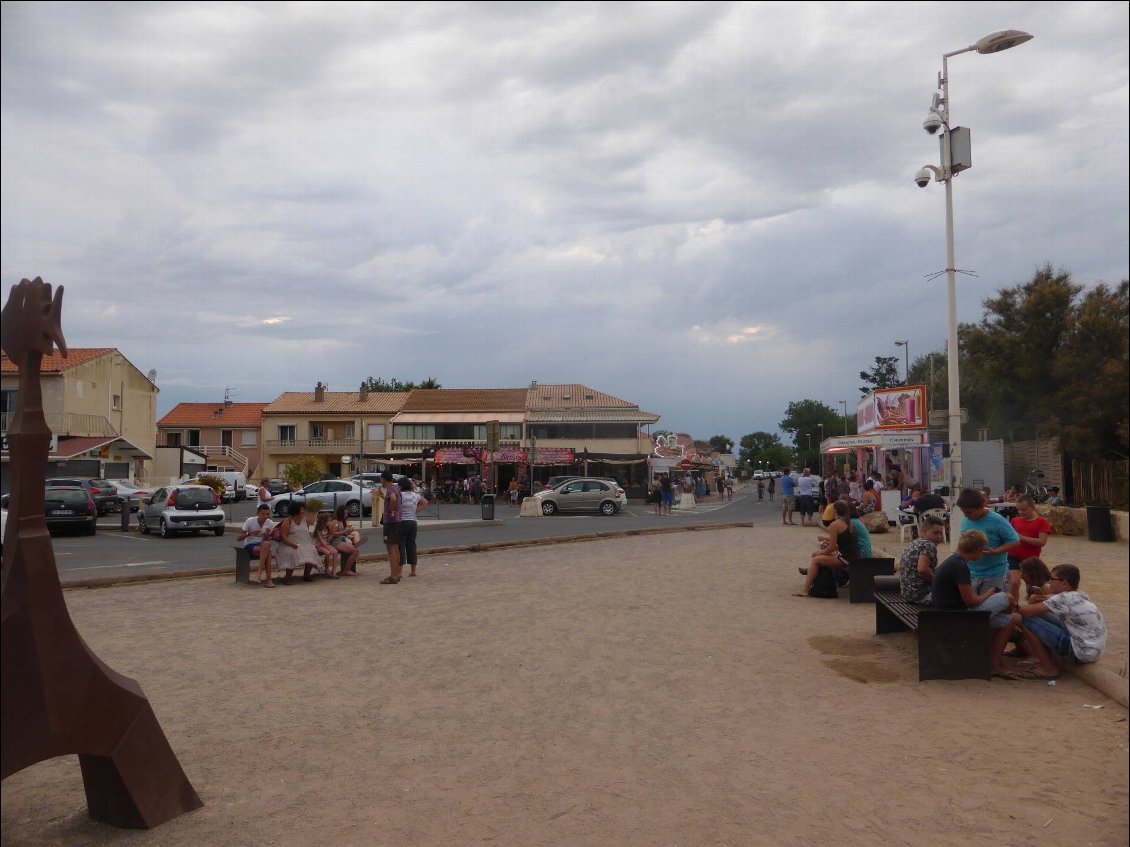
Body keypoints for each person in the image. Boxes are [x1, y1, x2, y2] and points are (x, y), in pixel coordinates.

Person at [931, 530, 1016, 676]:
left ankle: (993, 663)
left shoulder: (952, 561)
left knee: (1009, 621)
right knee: (1007, 598)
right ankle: (992, 657)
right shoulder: (960, 567)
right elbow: (970, 601)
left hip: (945, 615)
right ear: (977, 550)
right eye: (982, 550)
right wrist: (989, 594)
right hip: (960, 618)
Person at [1014, 564, 1106, 680]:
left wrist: (1015, 602)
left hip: (1080, 652)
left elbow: (1024, 612)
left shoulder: (1062, 599)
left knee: (1026, 620)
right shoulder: (1079, 595)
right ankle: (1045, 659)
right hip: (1091, 651)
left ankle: (1048, 668)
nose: (1049, 582)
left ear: (1064, 583)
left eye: (1053, 579)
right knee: (1039, 615)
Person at [956, 487, 1020, 594]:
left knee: (992, 607)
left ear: (981, 506)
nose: (966, 515)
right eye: (964, 513)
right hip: (970, 573)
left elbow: (1015, 541)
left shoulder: (997, 520)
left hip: (994, 574)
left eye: (969, 512)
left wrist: (997, 551)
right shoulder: (965, 520)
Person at [794, 500, 861, 597]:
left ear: (835, 511)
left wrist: (823, 552)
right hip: (853, 555)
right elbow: (843, 542)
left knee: (816, 559)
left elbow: (832, 547)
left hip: (846, 558)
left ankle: (805, 590)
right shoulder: (847, 522)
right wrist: (824, 548)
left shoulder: (835, 525)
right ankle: (818, 582)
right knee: (816, 554)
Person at [898, 514, 946, 603]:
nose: (939, 537)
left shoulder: (914, 543)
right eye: (935, 533)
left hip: (907, 594)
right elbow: (922, 570)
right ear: (924, 532)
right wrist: (937, 582)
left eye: (941, 533)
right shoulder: (928, 545)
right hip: (922, 596)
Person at [274, 502, 321, 585]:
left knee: (311, 550)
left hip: (303, 543)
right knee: (292, 552)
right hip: (288, 544)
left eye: (303, 509)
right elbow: (284, 536)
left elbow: (305, 533)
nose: (303, 511)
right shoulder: (288, 521)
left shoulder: (305, 520)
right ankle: (287, 577)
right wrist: (293, 544)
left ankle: (307, 575)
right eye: (301, 509)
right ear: (295, 510)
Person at [1008, 493, 1051, 577]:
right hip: (1013, 556)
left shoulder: (1042, 522)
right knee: (1014, 582)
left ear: (1033, 508)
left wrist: (1022, 538)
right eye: (1018, 509)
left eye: (1024, 509)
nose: (1020, 512)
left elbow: (1042, 542)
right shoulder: (1014, 521)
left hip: (1031, 559)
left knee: (1032, 585)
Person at [238, 503, 276, 587]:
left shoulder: (269, 523)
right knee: (268, 551)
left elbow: (266, 540)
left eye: (267, 514)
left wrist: (267, 536)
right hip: (250, 545)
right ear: (258, 513)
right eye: (262, 514)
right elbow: (239, 538)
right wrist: (249, 533)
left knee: (266, 545)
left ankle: (259, 574)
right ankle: (268, 579)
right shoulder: (250, 521)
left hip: (262, 545)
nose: (265, 516)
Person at [397, 476, 428, 577]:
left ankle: (400, 571)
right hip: (412, 522)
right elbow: (425, 502)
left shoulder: (400, 495)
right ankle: (413, 570)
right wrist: (417, 510)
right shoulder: (415, 495)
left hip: (402, 522)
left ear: (401, 486)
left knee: (401, 547)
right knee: (411, 546)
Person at [379, 470, 402, 583]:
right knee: (395, 547)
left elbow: (393, 499)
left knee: (391, 548)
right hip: (397, 521)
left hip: (391, 522)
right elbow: (391, 499)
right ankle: (397, 573)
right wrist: (382, 497)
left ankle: (393, 576)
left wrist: (390, 510)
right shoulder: (396, 487)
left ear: (383, 479)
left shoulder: (390, 489)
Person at [312, 512, 340, 578]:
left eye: (330, 520)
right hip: (319, 545)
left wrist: (332, 532)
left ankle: (334, 570)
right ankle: (326, 569)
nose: (330, 522)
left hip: (326, 544)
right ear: (323, 521)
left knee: (335, 552)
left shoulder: (327, 529)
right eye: (329, 520)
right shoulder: (319, 530)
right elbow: (321, 542)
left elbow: (328, 540)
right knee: (328, 553)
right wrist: (329, 548)